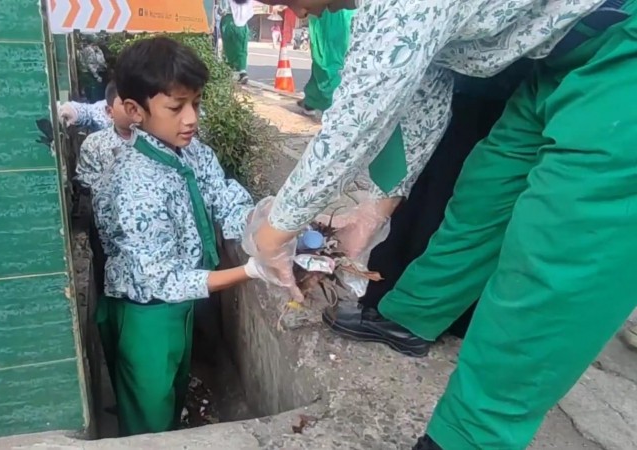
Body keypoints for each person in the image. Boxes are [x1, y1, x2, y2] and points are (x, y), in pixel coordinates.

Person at [240, 0, 637, 449]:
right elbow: (424, 99)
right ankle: (412, 316)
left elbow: (357, 118)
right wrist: (375, 210)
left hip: (624, 63)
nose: (289, 11)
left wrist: (276, 229)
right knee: (484, 195)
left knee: (557, 258)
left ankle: (464, 439)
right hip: (562, 61)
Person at [92, 36, 266, 437]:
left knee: (170, 393)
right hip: (146, 311)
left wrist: (268, 223)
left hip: (181, 303)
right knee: (149, 419)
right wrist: (253, 269)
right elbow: (163, 281)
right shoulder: (134, 187)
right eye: (176, 107)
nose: (192, 119)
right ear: (134, 110)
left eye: (197, 104)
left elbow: (224, 198)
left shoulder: (191, 152)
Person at [329, 61, 534, 343]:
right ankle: (409, 304)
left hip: (498, 87)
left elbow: (359, 110)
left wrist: (289, 219)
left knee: (463, 196)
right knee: (438, 186)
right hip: (493, 83)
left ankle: (411, 315)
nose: (301, 14)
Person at [297, 8, 354, 120]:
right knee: (322, 59)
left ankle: (334, 108)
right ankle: (312, 101)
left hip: (331, 12)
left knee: (328, 60)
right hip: (337, 13)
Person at [75, 82, 133, 191]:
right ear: (109, 111)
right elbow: (84, 182)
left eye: (138, 103)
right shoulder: (94, 144)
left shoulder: (156, 140)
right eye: (125, 103)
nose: (133, 108)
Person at [220, 0, 254, 84]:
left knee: (228, 48)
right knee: (242, 49)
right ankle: (242, 72)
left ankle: (227, 71)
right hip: (241, 23)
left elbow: (221, 8)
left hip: (228, 21)